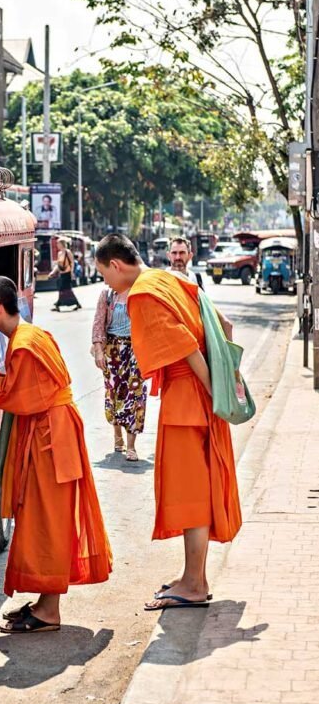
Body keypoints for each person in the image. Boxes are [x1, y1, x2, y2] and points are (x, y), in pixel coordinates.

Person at [95, 234, 241, 610]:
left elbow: (187, 348)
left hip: (187, 401)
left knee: (190, 493)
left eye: (103, 275)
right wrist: (223, 385)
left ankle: (194, 584)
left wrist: (214, 394)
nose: (106, 285)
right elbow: (224, 325)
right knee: (195, 488)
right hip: (196, 396)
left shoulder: (143, 293)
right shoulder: (169, 278)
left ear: (115, 265)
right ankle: (193, 577)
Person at [0, 275, 112, 633]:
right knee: (41, 517)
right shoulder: (30, 335)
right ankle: (46, 601)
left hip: (50, 440)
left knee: (47, 519)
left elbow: (14, 397)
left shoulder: (24, 345)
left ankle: (50, 611)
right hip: (50, 433)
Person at [91, 284, 147, 461]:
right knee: (113, 393)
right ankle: (118, 438)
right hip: (113, 350)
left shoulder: (141, 291)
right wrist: (99, 350)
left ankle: (131, 446)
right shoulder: (107, 294)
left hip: (137, 350)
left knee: (135, 395)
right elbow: (98, 324)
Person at [49, 237, 82, 312]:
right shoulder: (59, 253)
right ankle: (75, 303)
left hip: (67, 274)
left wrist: (72, 273)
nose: (57, 245)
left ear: (62, 244)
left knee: (64, 289)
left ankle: (58, 305)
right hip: (62, 274)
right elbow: (58, 265)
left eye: (58, 243)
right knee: (64, 289)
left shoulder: (68, 252)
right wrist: (53, 272)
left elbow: (72, 263)